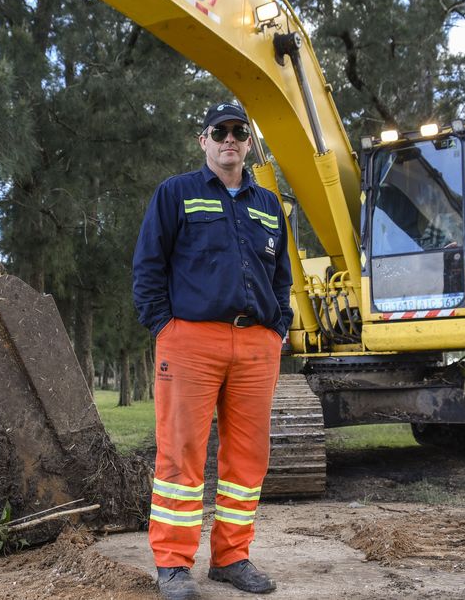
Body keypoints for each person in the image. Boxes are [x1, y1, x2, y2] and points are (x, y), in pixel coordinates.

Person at [132, 102, 293, 600]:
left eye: (238, 132)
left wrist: (277, 328)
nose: (229, 139)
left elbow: (281, 276)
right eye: (219, 131)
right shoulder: (175, 193)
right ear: (203, 140)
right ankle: (173, 566)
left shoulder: (268, 205)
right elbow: (148, 266)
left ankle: (231, 558)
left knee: (247, 460)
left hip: (256, 344)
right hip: (190, 342)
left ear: (248, 142)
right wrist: (165, 326)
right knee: (180, 455)